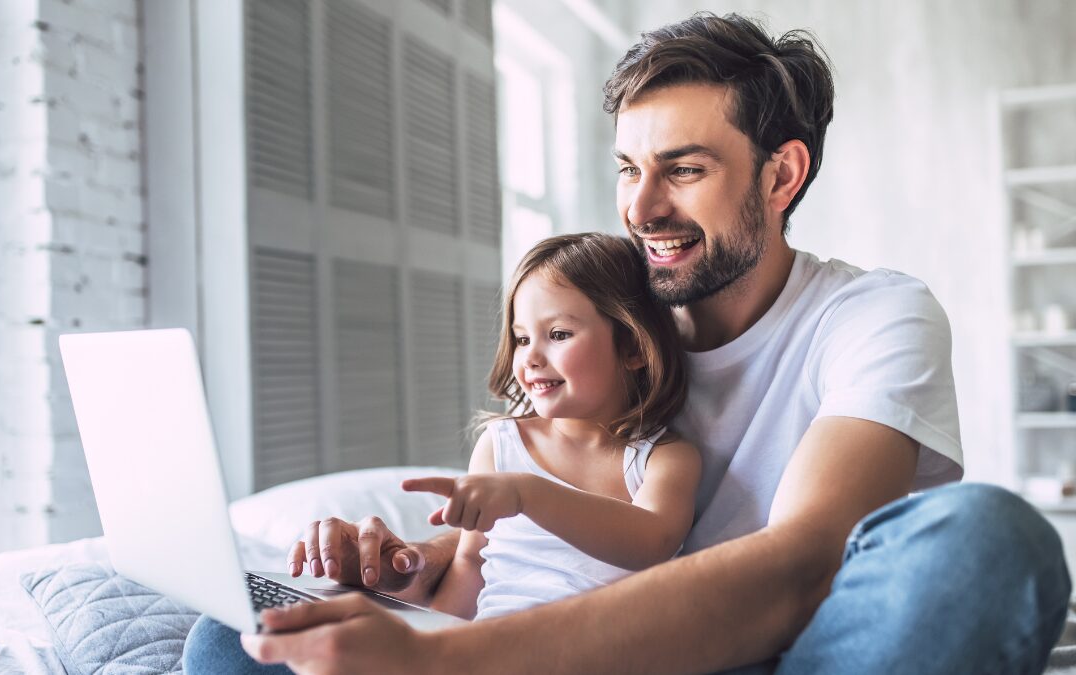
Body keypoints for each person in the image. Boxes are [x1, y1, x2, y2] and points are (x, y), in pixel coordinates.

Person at [184, 12, 1071, 674]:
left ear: (781, 174)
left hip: (774, 657)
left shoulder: (874, 316)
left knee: (988, 541)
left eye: (683, 170)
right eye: (627, 168)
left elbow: (798, 569)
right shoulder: (596, 326)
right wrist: (393, 574)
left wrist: (447, 663)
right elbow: (503, 552)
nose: (642, 208)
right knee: (234, 634)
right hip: (568, 647)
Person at [321, 232, 699, 621]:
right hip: (493, 650)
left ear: (633, 347)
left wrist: (527, 494)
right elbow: (470, 564)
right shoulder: (500, 446)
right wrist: (438, 650)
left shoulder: (665, 458)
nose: (531, 356)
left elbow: (652, 539)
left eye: (558, 334)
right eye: (521, 338)